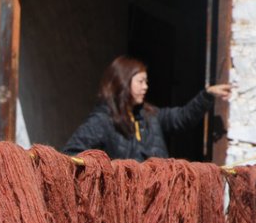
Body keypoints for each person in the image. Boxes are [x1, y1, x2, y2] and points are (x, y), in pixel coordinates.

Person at [60, 55, 232, 161]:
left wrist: (207, 95)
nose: (145, 87)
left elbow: (182, 118)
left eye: (146, 82)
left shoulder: (151, 115)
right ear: (123, 82)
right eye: (140, 81)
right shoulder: (103, 120)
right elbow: (71, 155)